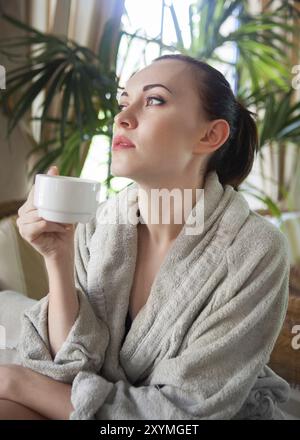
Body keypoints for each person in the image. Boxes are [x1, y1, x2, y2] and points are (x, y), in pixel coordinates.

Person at [0, 54, 290, 420]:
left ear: (210, 135)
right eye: (124, 101)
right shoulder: (100, 223)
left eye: (154, 100)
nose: (122, 117)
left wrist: (17, 382)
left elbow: (183, 415)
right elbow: (66, 366)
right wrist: (56, 257)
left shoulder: (255, 249)